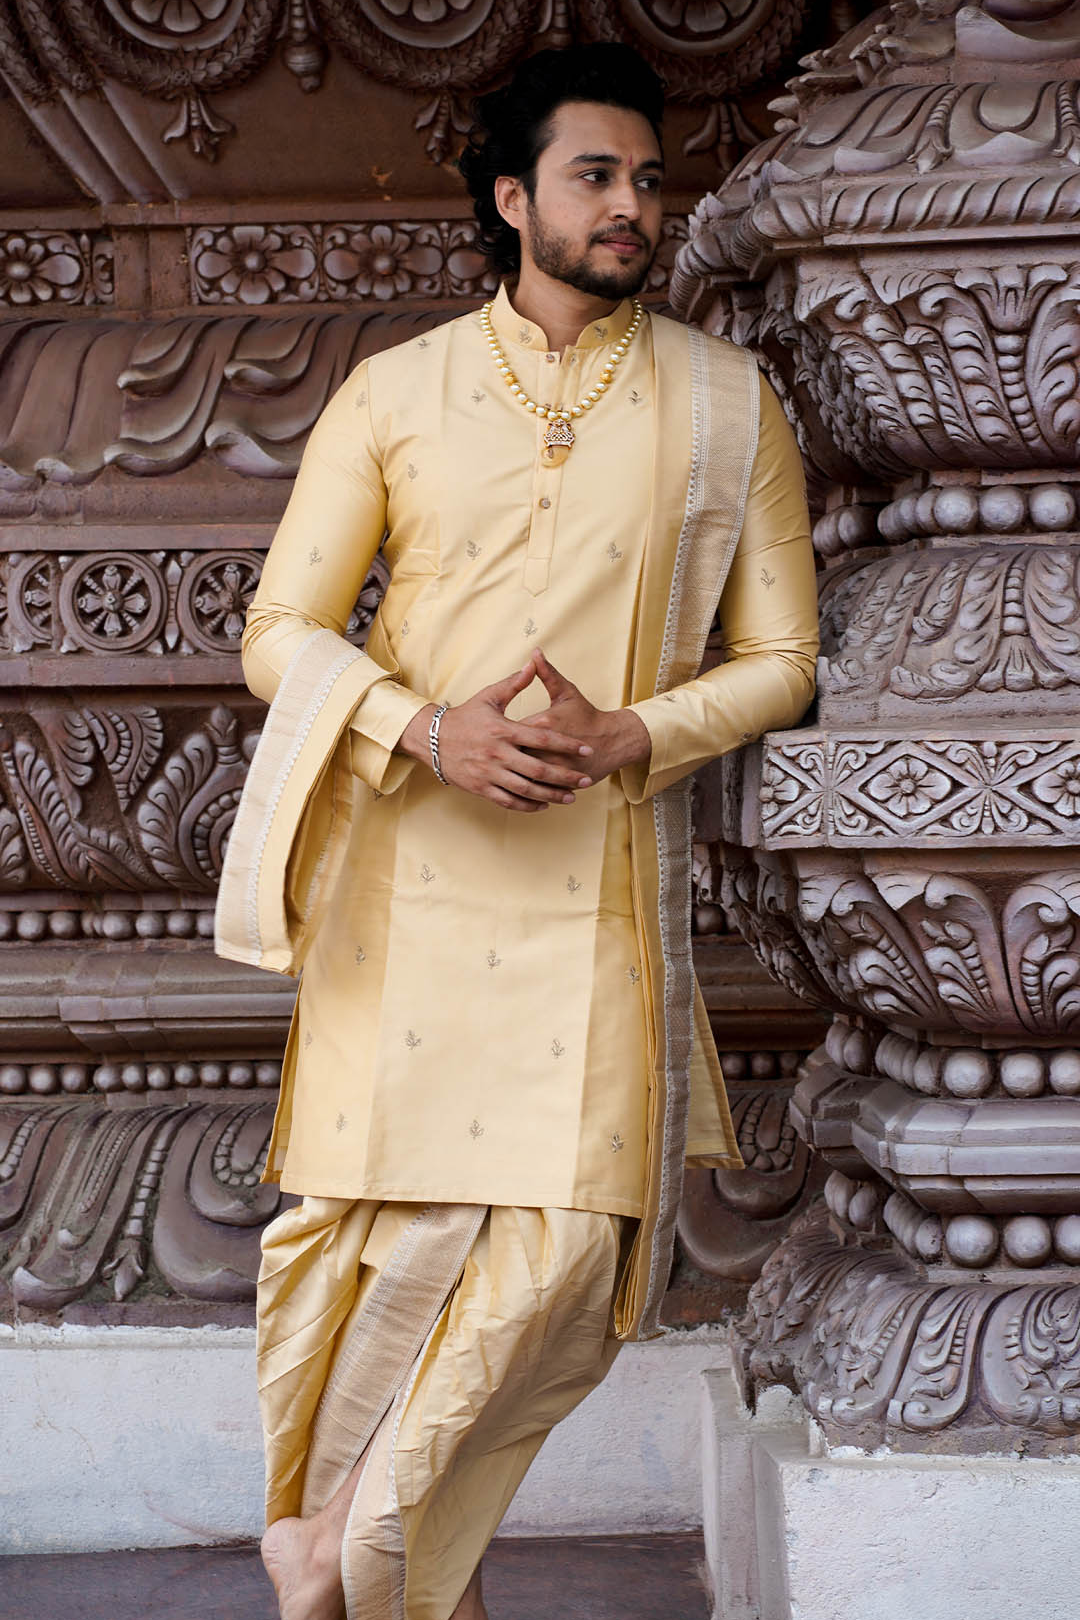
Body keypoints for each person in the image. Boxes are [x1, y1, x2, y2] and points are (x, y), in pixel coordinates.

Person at [215, 40, 818, 1620]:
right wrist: (429, 726)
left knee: (561, 1271)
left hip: (597, 896)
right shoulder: (395, 393)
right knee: (382, 1266)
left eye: (647, 177)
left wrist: (636, 731)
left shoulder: (722, 401)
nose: (635, 206)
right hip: (407, 901)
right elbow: (278, 630)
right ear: (513, 198)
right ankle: (397, 1573)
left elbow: (781, 659)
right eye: (597, 176)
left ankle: (336, 1542)